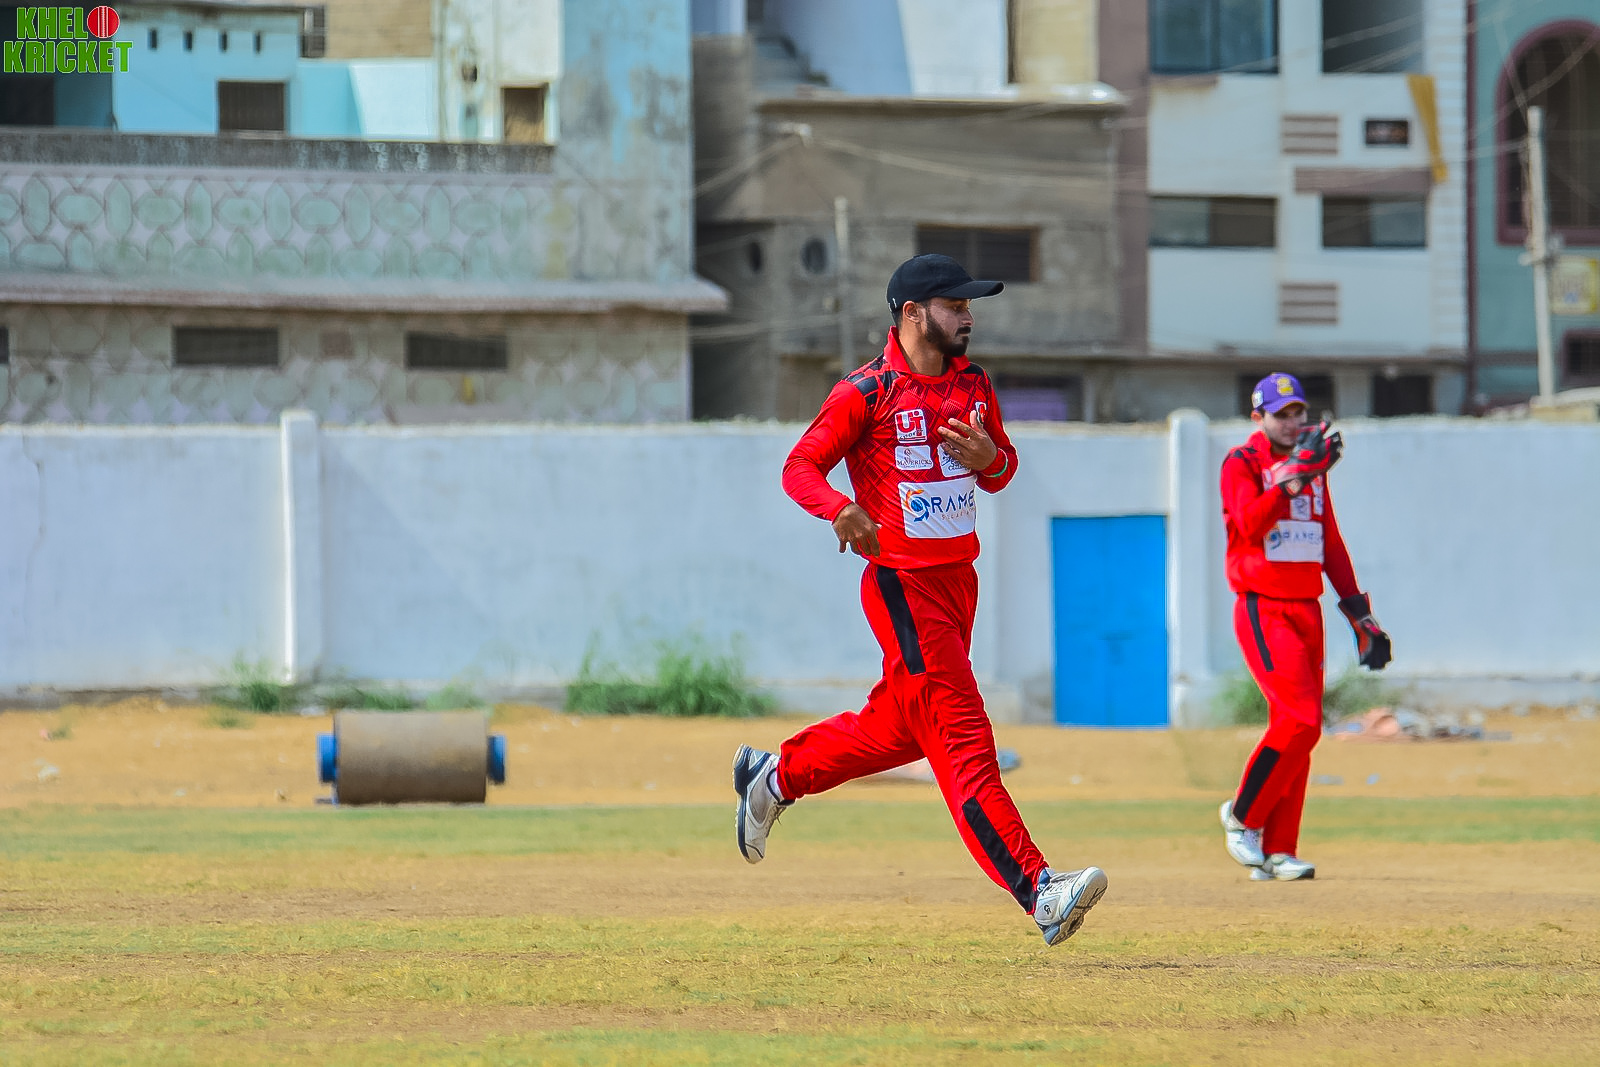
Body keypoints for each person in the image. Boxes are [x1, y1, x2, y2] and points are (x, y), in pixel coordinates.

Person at [731, 254, 1107, 946]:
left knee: (901, 728)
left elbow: (1002, 470)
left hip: (959, 582)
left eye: (969, 306)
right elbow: (799, 466)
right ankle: (1040, 891)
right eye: (955, 306)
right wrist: (840, 508)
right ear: (912, 314)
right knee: (964, 739)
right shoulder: (866, 392)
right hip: (903, 588)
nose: (968, 318)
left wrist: (991, 459)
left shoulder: (973, 382)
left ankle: (775, 775)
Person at [1218, 373, 1391, 881]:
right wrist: (1292, 478)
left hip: (1306, 608)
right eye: (1281, 414)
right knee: (1301, 721)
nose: (1293, 422)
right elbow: (1247, 524)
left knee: (1298, 728)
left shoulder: (1311, 466)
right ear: (1259, 418)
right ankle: (1242, 817)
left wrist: (1359, 613)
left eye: (1298, 413)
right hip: (1263, 606)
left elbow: (1328, 541)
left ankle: (1278, 850)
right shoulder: (1242, 462)